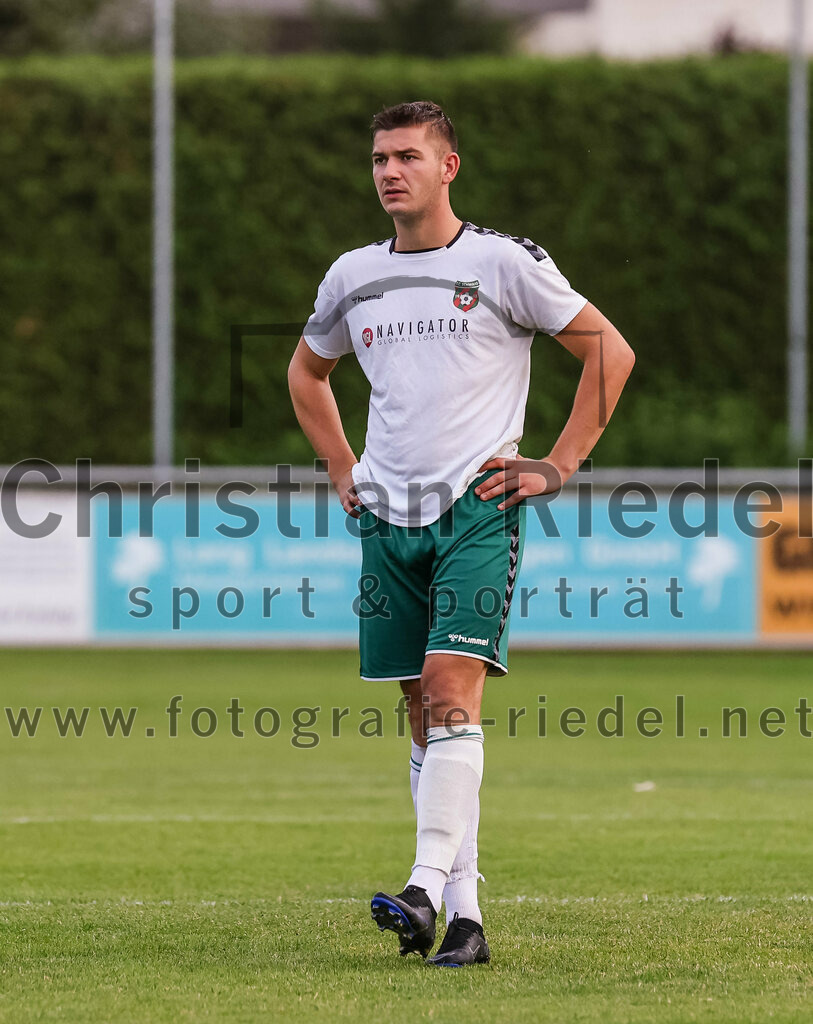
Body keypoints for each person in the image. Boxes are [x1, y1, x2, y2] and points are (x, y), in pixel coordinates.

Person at [288, 100, 635, 966]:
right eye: (378, 158)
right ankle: (465, 918)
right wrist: (342, 469)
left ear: (448, 167)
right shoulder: (351, 275)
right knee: (422, 706)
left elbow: (608, 352)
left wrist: (556, 464)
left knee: (451, 687)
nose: (388, 171)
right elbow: (307, 371)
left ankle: (418, 884)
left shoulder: (499, 261)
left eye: (407, 155)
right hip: (386, 520)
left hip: (477, 510)